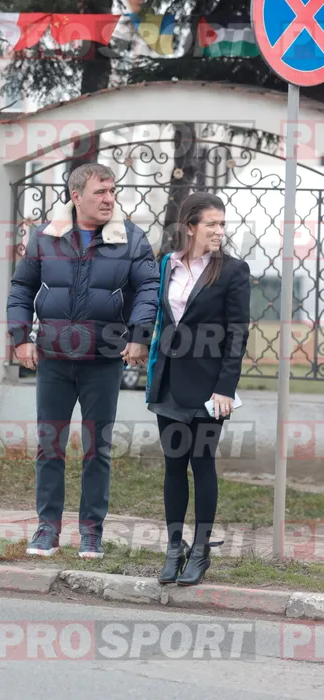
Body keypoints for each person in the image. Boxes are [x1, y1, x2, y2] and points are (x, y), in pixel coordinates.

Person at [7, 163, 160, 559]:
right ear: (76, 197)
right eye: (100, 192)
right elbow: (21, 287)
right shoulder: (46, 236)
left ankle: (92, 533)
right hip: (54, 359)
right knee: (50, 447)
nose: (109, 199)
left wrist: (139, 335)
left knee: (97, 450)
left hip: (103, 359)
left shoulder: (131, 238)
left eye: (112, 191)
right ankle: (47, 529)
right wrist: (20, 338)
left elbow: (149, 288)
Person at [146, 192, 251, 586]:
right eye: (211, 224)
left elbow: (237, 334)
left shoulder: (233, 270)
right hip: (169, 383)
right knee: (174, 465)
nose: (219, 231)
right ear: (190, 226)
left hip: (209, 390)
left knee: (201, 463)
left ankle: (201, 550)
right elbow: (161, 319)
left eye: (222, 224)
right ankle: (175, 548)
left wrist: (225, 388)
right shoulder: (168, 264)